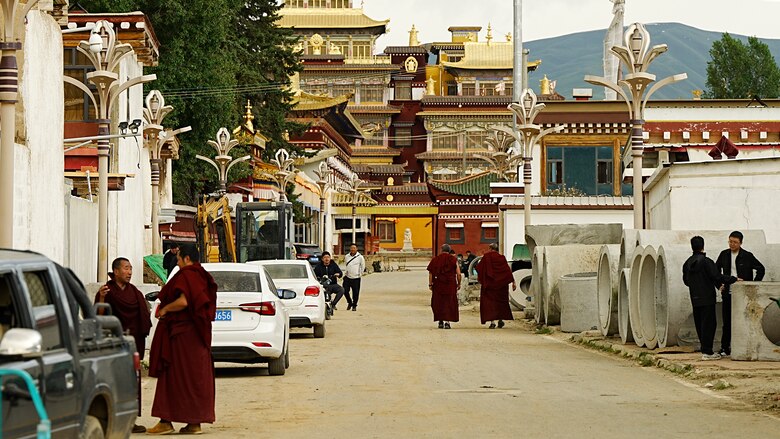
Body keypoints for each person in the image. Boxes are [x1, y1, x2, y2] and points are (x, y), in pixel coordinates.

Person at [148, 244, 218, 435]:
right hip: (197, 338)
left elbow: (184, 301)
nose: (177, 263)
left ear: (187, 259)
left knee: (171, 376)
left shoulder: (188, 275)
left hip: (182, 338)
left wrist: (164, 309)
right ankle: (194, 423)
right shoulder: (202, 275)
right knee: (194, 378)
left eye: (179, 259)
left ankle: (165, 421)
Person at [94, 258, 151, 434]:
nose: (129, 272)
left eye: (130, 269)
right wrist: (102, 297)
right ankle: (110, 421)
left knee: (132, 382)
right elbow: (97, 316)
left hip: (132, 345)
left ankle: (131, 420)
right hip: (114, 345)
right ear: (116, 271)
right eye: (126, 268)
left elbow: (143, 314)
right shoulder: (107, 291)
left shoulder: (135, 292)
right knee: (112, 382)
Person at [682, 236, 737, 361]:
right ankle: (708, 352)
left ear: (692, 246)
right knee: (709, 324)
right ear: (703, 246)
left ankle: (705, 349)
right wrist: (733, 279)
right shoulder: (706, 262)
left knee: (700, 324)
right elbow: (717, 276)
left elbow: (686, 281)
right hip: (707, 297)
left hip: (695, 298)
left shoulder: (687, 263)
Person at [715, 231, 765, 357]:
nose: (732, 244)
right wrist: (719, 284)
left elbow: (761, 269)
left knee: (744, 320)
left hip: (744, 295)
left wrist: (753, 285)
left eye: (735, 242)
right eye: (730, 241)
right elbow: (715, 272)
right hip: (728, 293)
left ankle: (745, 346)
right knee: (727, 321)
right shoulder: (724, 255)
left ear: (741, 243)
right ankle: (725, 348)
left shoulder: (747, 256)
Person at [477, 243, 516, 329]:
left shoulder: (486, 257)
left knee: (490, 303)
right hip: (501, 285)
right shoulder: (502, 258)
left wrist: (480, 280)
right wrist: (513, 281)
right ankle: (500, 319)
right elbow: (507, 270)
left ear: (490, 248)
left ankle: (492, 322)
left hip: (489, 285)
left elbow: (480, 269)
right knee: (500, 302)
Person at [427, 244, 461, 329]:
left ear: (441, 250)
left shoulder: (435, 259)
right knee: (449, 302)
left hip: (438, 284)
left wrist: (430, 284)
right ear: (449, 251)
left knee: (438, 302)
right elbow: (459, 274)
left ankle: (440, 321)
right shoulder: (453, 259)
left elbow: (430, 273)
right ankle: (447, 322)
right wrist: (459, 283)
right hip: (450, 284)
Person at [343, 244, 365, 311]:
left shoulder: (360, 257)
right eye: (351, 248)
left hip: (356, 277)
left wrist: (360, 274)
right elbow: (345, 265)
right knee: (345, 291)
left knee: (355, 292)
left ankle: (354, 305)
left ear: (356, 249)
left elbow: (362, 266)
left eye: (354, 248)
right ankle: (349, 302)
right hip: (347, 277)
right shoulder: (347, 256)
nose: (352, 249)